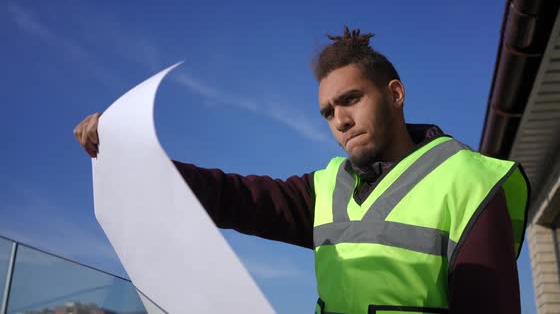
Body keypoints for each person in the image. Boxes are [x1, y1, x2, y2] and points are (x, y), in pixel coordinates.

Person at [74, 27, 529, 314]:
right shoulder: (327, 188)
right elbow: (232, 196)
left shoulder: (470, 181)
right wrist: (134, 157)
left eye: (351, 99)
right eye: (328, 112)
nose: (340, 121)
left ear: (395, 93)